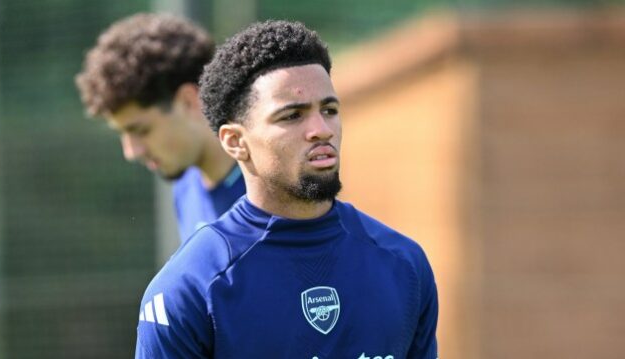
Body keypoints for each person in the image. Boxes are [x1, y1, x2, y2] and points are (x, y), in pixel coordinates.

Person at [135, 20, 438, 358]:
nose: (321, 130)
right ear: (235, 141)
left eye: (329, 110)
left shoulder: (404, 264)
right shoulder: (189, 288)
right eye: (292, 116)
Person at [75, 14, 246, 243]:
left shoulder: (276, 187)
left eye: (141, 130)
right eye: (122, 133)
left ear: (189, 101)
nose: (131, 152)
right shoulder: (186, 187)